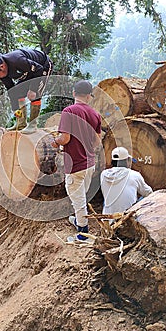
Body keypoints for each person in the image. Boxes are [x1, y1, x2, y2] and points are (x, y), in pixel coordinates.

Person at [51, 80, 101, 241]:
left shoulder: (69, 111)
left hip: (75, 164)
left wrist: (55, 141)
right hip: (89, 163)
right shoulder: (95, 114)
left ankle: (83, 232)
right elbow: (97, 142)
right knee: (81, 195)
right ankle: (79, 221)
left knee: (77, 198)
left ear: (73, 93)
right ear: (89, 96)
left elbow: (65, 138)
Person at [0, 48, 53, 134]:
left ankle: (33, 125)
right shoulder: (3, 74)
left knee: (33, 95)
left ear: (2, 66)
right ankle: (21, 123)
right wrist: (15, 109)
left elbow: (39, 69)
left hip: (43, 67)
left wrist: (33, 89)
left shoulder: (17, 61)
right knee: (17, 92)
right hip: (30, 71)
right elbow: (11, 91)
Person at [100, 146, 153, 215]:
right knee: (145, 197)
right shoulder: (134, 175)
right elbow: (149, 193)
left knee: (109, 197)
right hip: (127, 217)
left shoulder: (103, 174)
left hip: (108, 217)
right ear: (126, 161)